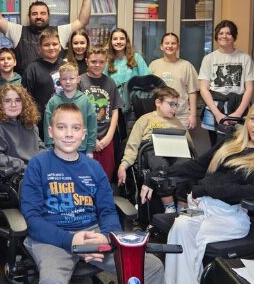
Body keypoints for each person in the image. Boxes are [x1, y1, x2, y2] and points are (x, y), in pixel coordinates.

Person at [20, 104, 165, 284]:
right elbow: (32, 220)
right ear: (50, 131)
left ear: (84, 133)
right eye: (61, 127)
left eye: (75, 128)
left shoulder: (94, 168)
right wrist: (72, 241)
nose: (69, 134)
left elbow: (107, 210)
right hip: (52, 237)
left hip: (92, 234)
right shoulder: (37, 165)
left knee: (152, 267)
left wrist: (106, 237)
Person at [162, 97, 254, 284]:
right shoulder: (232, 142)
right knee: (180, 228)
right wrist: (165, 174)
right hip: (203, 208)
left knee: (189, 239)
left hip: (232, 217)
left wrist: (208, 188)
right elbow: (199, 166)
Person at [0, 0, 93, 72]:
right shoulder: (19, 32)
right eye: (34, 14)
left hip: (55, 83)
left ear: (48, 16)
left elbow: (82, 21)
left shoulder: (60, 31)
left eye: (43, 13)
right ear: (29, 16)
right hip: (26, 83)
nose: (38, 16)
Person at [117, 87, 194, 215]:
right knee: (161, 165)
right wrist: (123, 165)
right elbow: (132, 145)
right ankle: (169, 206)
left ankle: (182, 206)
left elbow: (190, 145)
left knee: (186, 166)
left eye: (176, 105)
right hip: (152, 148)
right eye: (171, 104)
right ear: (158, 102)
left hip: (175, 149)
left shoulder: (177, 122)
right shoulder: (145, 119)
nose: (174, 108)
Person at [198, 20, 254, 145]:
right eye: (221, 33)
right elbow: (203, 89)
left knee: (237, 146)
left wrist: (238, 113)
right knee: (215, 147)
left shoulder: (245, 58)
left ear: (234, 36)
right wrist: (217, 114)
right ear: (216, 36)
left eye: (228, 33)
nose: (224, 36)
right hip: (214, 108)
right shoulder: (209, 59)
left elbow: (250, 88)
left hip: (238, 107)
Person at [79, 46, 123, 182]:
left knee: (105, 175)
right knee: (85, 176)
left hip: (106, 139)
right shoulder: (80, 81)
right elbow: (76, 113)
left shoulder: (110, 82)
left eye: (101, 62)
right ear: (86, 61)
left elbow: (115, 111)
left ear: (106, 62)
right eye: (93, 61)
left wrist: (109, 137)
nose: (97, 65)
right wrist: (91, 138)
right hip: (84, 139)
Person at [0, 84, 43, 171]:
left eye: (18, 100)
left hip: (37, 169)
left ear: (24, 103)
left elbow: (40, 147)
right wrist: (22, 166)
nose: (13, 105)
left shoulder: (29, 125)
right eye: (7, 101)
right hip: (18, 174)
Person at [43, 62, 97, 159]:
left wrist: (90, 149)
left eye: (71, 78)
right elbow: (48, 124)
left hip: (81, 149)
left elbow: (92, 125)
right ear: (59, 80)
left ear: (78, 79)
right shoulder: (53, 101)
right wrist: (49, 146)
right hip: (58, 149)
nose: (68, 82)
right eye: (64, 79)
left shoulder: (85, 101)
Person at [21, 28, 66, 138]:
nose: (51, 47)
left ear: (60, 46)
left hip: (65, 120)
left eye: (54, 44)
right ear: (40, 48)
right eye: (46, 45)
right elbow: (25, 98)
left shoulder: (67, 67)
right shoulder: (32, 69)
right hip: (40, 123)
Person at [148, 33, 199, 130]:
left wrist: (193, 115)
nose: (170, 46)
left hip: (181, 116)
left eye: (173, 43)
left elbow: (192, 92)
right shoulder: (153, 65)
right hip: (159, 115)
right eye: (167, 43)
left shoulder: (186, 66)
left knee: (181, 140)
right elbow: (149, 91)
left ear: (178, 46)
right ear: (161, 46)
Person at [104, 28, 149, 106]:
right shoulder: (107, 60)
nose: (118, 41)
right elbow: (104, 82)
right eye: (115, 39)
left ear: (126, 41)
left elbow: (146, 79)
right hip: (114, 102)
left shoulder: (136, 58)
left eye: (122, 39)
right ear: (111, 42)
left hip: (134, 102)